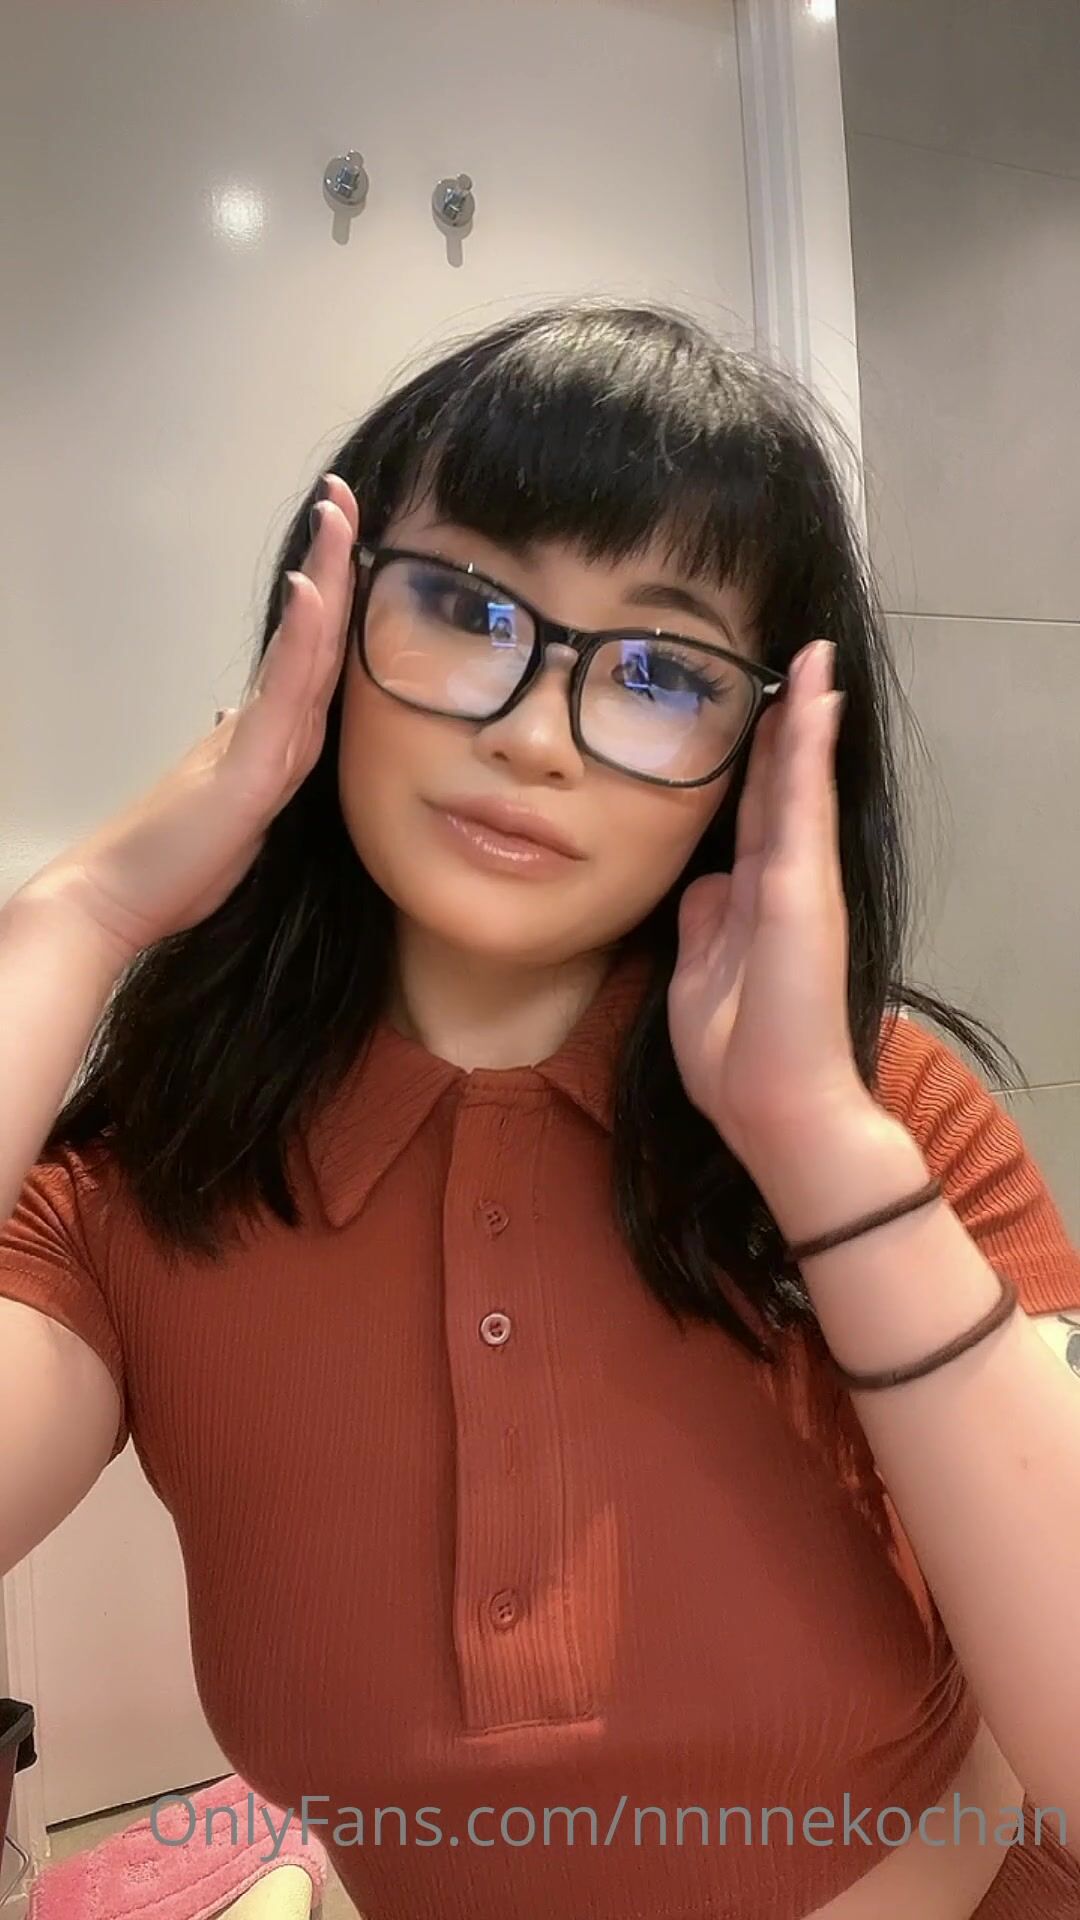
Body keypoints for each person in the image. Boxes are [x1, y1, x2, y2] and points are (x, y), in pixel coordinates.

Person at [2, 301, 1079, 1920]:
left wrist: (820, 1156)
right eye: (463, 604)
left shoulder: (888, 1113)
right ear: (326, 631)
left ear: (762, 751)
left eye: (657, 669)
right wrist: (75, 917)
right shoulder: (140, 1189)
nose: (529, 734)